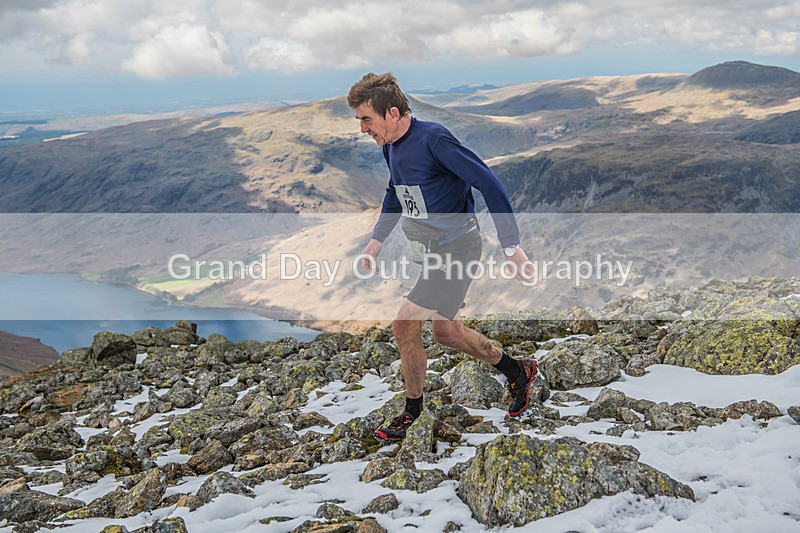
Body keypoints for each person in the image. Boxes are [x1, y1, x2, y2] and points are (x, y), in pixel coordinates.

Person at [347, 72, 538, 442]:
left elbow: (488, 181)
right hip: (432, 251)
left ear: (391, 113)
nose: (362, 129)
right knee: (447, 332)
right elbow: (395, 192)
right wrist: (376, 242)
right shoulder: (391, 145)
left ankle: (413, 414)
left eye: (366, 119)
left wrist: (511, 247)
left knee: (404, 326)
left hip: (457, 249)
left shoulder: (433, 139)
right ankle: (519, 371)